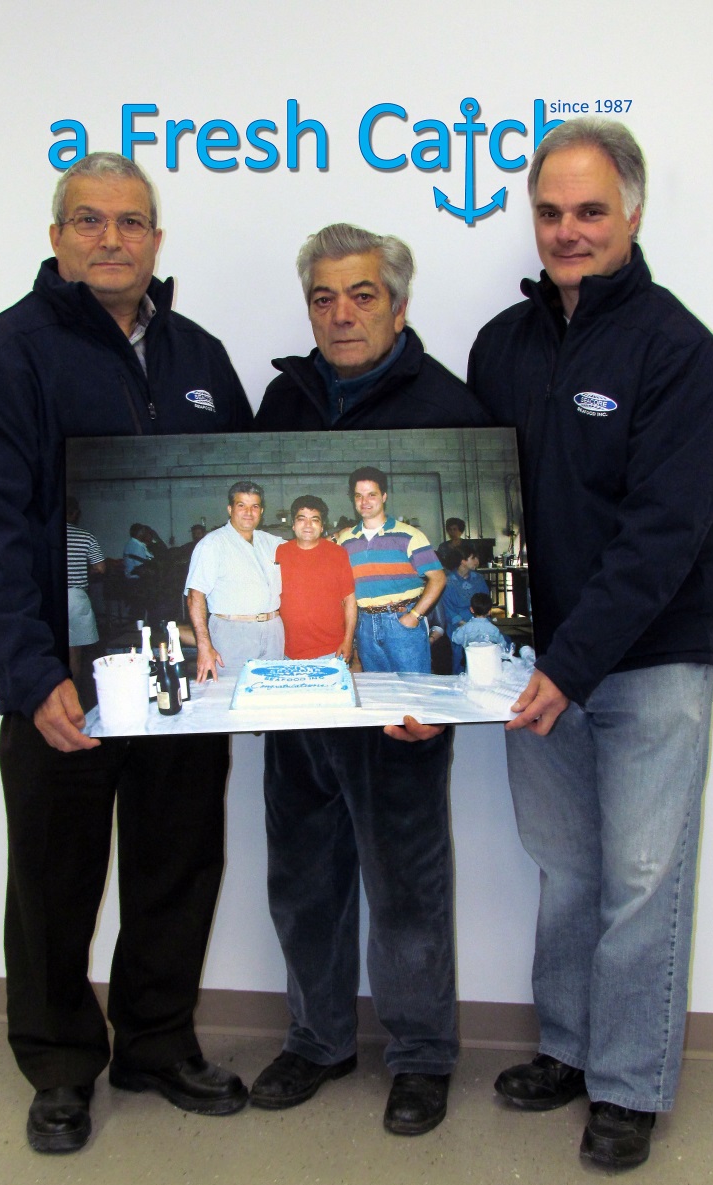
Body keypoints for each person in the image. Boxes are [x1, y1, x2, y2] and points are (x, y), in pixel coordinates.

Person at [0, 151, 253, 1155]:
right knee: (54, 880)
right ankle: (62, 1064)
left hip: (180, 681)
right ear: (57, 235)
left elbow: (232, 512)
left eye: (130, 222)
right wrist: (28, 678)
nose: (110, 238)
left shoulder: (199, 359)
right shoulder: (5, 357)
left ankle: (156, 1043)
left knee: (178, 862)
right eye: (89, 220)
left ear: (156, 240)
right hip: (61, 685)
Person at [467, 119, 713, 1170]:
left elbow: (663, 536)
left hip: (648, 658)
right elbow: (478, 512)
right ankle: (573, 1051)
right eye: (549, 212)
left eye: (588, 211)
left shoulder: (679, 353)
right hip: (536, 667)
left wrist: (565, 667)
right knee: (566, 871)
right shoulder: (501, 347)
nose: (567, 231)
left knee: (638, 877)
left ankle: (628, 1084)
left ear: (630, 213)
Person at [251, 223, 487, 1137]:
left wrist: (440, 701)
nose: (341, 313)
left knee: (406, 886)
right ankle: (317, 1039)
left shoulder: (450, 405)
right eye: (323, 297)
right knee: (303, 877)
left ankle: (421, 1055)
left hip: (398, 702)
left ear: (397, 302)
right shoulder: (280, 401)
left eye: (361, 294)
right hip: (300, 684)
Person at [337, 467, 445, 674]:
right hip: (365, 625)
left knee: (415, 690)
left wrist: (414, 616)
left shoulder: (409, 535)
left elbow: (438, 578)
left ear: (384, 496)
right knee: (380, 693)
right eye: (358, 496)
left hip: (402, 622)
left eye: (371, 495)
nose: (364, 502)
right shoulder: (346, 540)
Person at [184, 481, 284, 681]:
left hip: (273, 632)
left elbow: (306, 548)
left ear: (261, 511)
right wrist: (204, 646)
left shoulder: (271, 542)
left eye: (254, 506)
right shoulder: (212, 544)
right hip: (232, 634)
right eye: (241, 505)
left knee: (272, 693)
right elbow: (195, 596)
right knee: (230, 693)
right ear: (230, 509)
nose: (249, 512)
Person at [276, 495, 356, 662]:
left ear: (322, 527)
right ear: (293, 524)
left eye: (314, 519)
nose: (307, 525)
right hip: (287, 651)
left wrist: (348, 641)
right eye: (301, 519)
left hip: (331, 650)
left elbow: (350, 600)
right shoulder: (279, 553)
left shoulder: (338, 554)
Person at [65, 496, 106, 682]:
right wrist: (82, 569)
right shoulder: (85, 536)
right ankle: (73, 692)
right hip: (75, 597)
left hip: (45, 597)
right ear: (75, 514)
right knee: (74, 651)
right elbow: (100, 568)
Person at [437, 544, 493, 673]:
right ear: (463, 560)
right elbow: (447, 608)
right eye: (473, 558)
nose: (477, 562)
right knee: (459, 652)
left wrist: (481, 620)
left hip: (480, 619)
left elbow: (485, 600)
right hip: (458, 624)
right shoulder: (448, 581)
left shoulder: (478, 579)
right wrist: (464, 624)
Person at [449, 591, 508, 660]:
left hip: (471, 663)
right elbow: (502, 646)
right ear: (489, 612)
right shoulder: (494, 629)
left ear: (471, 610)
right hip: (490, 662)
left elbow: (455, 639)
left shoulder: (466, 627)